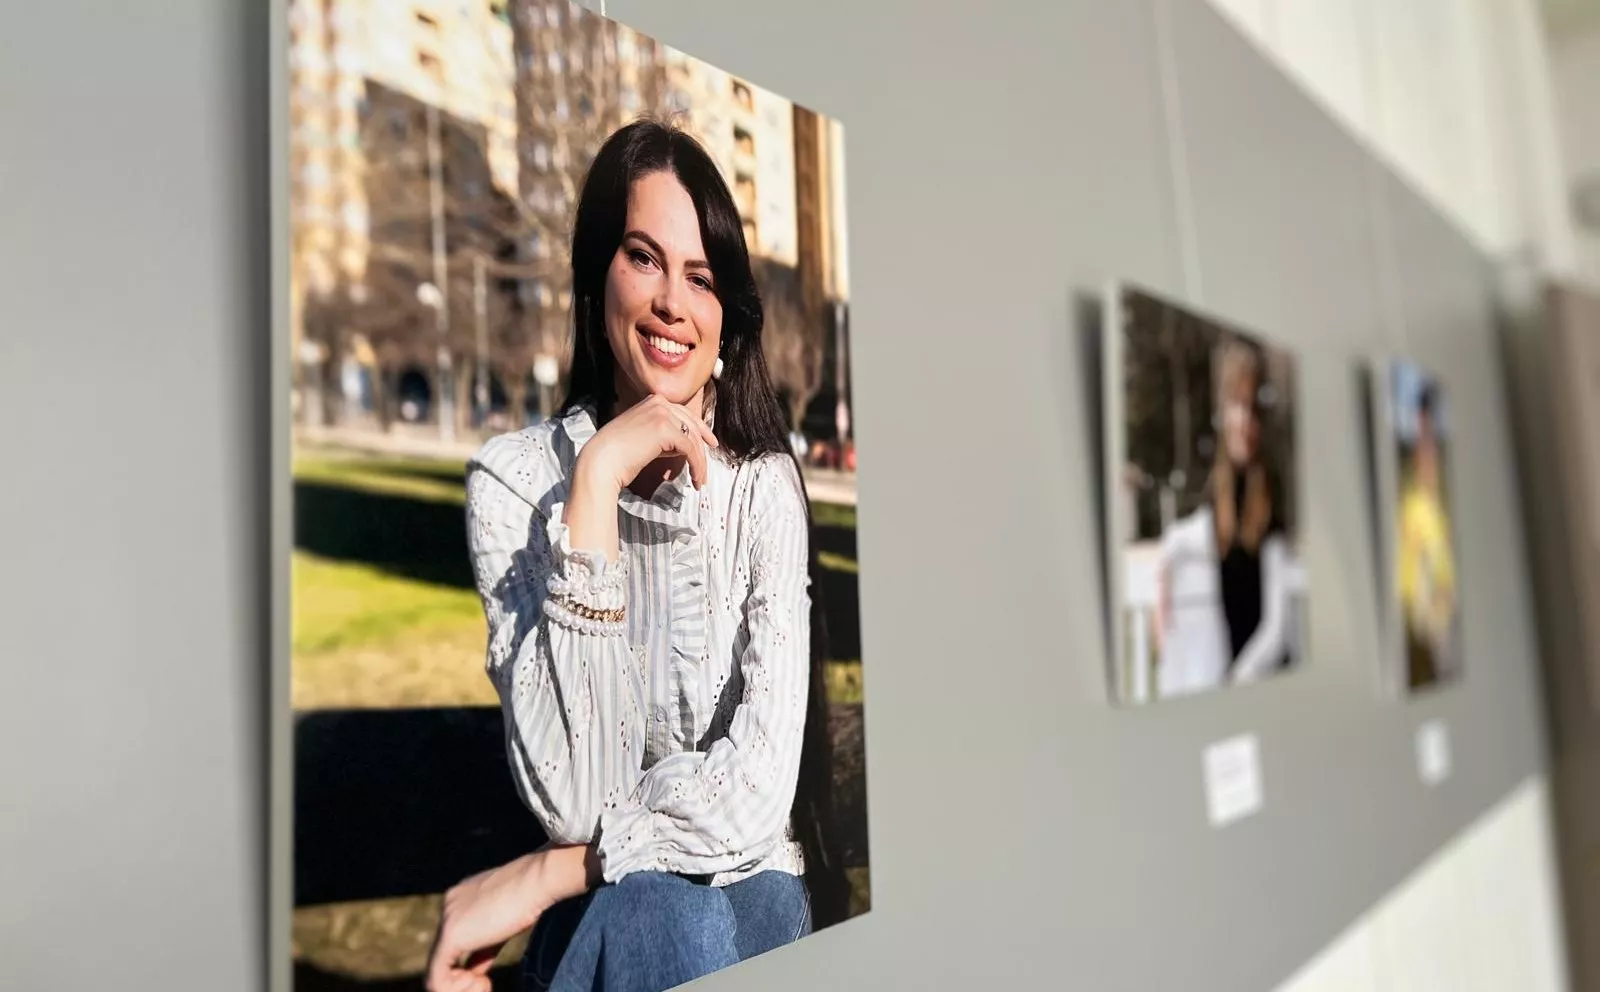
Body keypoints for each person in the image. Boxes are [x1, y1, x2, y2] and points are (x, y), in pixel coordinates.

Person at [424, 119, 846, 992]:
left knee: (732, 900)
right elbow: (576, 798)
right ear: (596, 276)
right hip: (611, 936)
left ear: (725, 315)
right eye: (643, 258)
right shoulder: (513, 487)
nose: (672, 304)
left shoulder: (762, 486)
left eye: (701, 278)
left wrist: (549, 873)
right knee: (666, 906)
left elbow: (759, 799)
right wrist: (596, 481)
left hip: (748, 904)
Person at [1150, 341, 1297, 698]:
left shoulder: (1273, 493)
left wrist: (1236, 681)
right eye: (1236, 406)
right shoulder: (1217, 490)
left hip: (1262, 679)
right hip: (1225, 678)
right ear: (1223, 412)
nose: (1244, 421)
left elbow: (1275, 628)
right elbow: (1182, 537)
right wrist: (1164, 569)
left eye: (1252, 409)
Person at [1396, 381, 1457, 688]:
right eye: (1420, 422)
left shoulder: (1449, 478)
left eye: (1428, 422)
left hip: (1449, 614)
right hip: (1417, 614)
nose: (1423, 432)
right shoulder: (1406, 485)